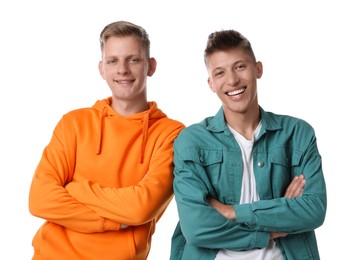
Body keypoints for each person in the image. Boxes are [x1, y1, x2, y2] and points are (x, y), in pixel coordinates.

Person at [28, 20, 184, 260]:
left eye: (133, 59)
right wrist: (111, 222)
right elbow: (40, 199)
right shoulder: (74, 123)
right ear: (102, 69)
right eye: (113, 61)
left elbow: (140, 207)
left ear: (150, 66)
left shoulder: (170, 134)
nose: (122, 69)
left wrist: (75, 189)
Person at [170, 29, 326, 260]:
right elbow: (196, 228)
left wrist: (231, 212)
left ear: (258, 69)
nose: (232, 80)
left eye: (240, 66)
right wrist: (272, 228)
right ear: (211, 83)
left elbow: (313, 211)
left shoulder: (297, 134)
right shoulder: (192, 141)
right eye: (220, 73)